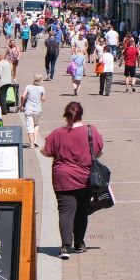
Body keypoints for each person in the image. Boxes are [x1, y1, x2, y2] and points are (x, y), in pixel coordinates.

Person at [41, 102, 104, 259]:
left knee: (65, 211)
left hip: (62, 178)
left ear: (66, 116)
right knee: (82, 211)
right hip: (85, 177)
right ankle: (79, 243)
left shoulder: (57, 133)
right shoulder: (91, 131)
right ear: (81, 114)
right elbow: (99, 150)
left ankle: (65, 246)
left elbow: (45, 151)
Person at [21, 74, 47, 147]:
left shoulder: (28, 86)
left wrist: (22, 105)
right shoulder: (42, 88)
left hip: (28, 109)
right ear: (41, 80)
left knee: (29, 126)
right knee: (36, 125)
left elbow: (23, 96)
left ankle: (31, 143)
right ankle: (35, 140)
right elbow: (43, 99)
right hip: (37, 110)